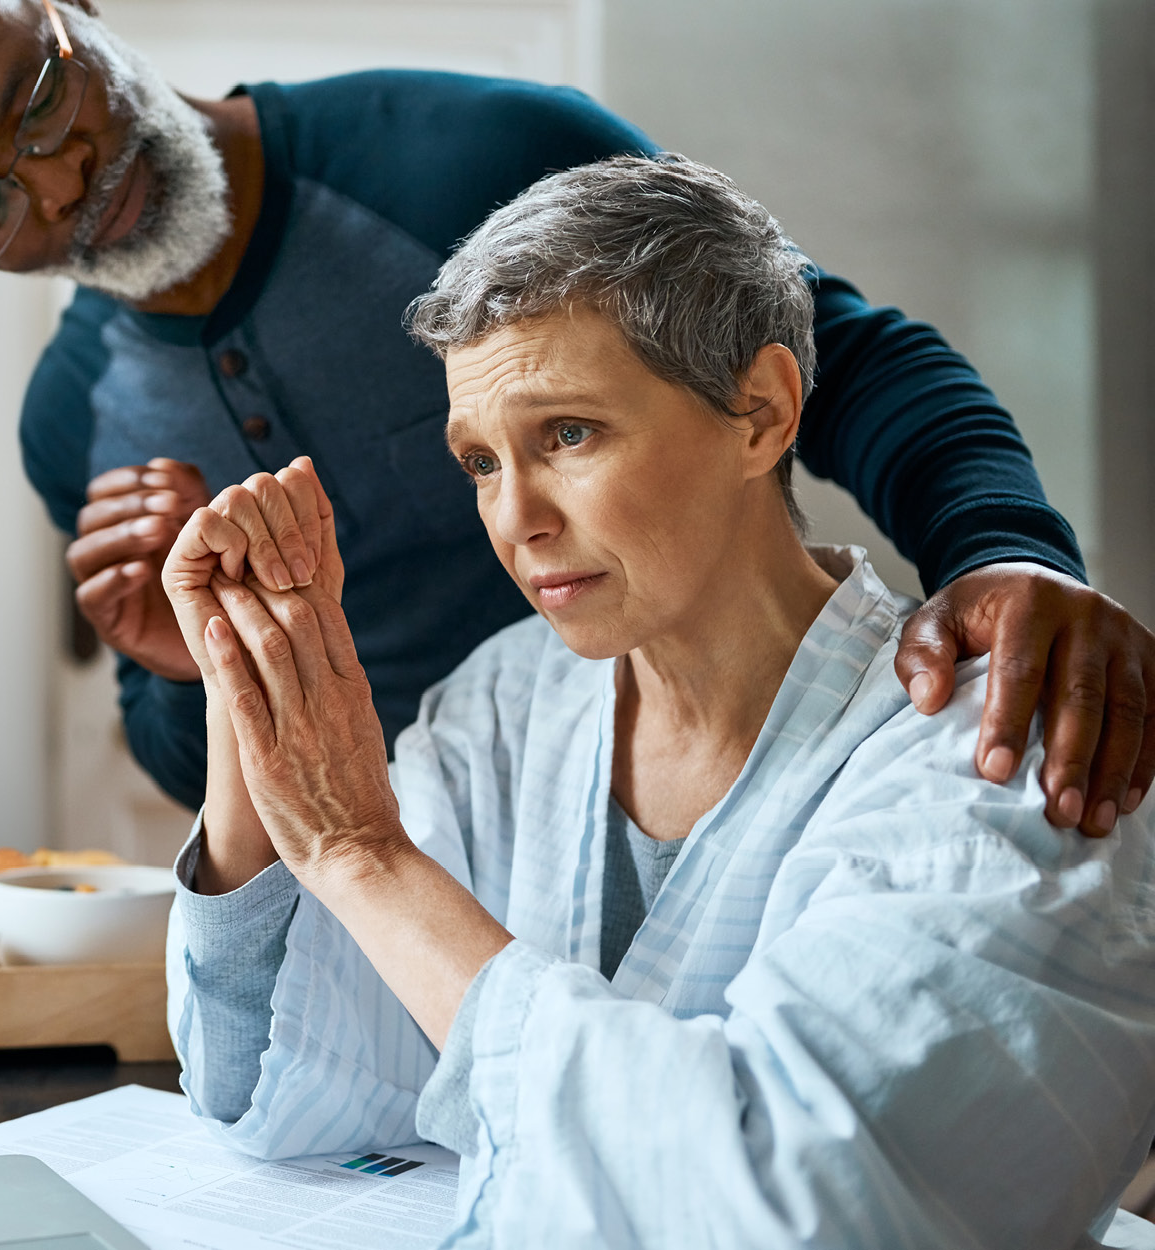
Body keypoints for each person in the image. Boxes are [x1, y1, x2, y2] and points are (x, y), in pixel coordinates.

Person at [0, 0, 1155, 833]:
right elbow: (217, 770)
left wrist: (999, 551)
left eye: (36, 92)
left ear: (68, 13)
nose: (64, 172)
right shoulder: (67, 417)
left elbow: (832, 354)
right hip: (424, 954)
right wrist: (183, 672)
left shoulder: (471, 154)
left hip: (740, 821)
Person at [159, 154, 1155, 1248]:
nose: (516, 518)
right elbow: (303, 1087)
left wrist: (359, 848)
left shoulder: (1002, 760)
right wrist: (244, 684)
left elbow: (794, 1208)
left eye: (568, 434)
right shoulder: (503, 706)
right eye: (481, 461)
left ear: (762, 412)